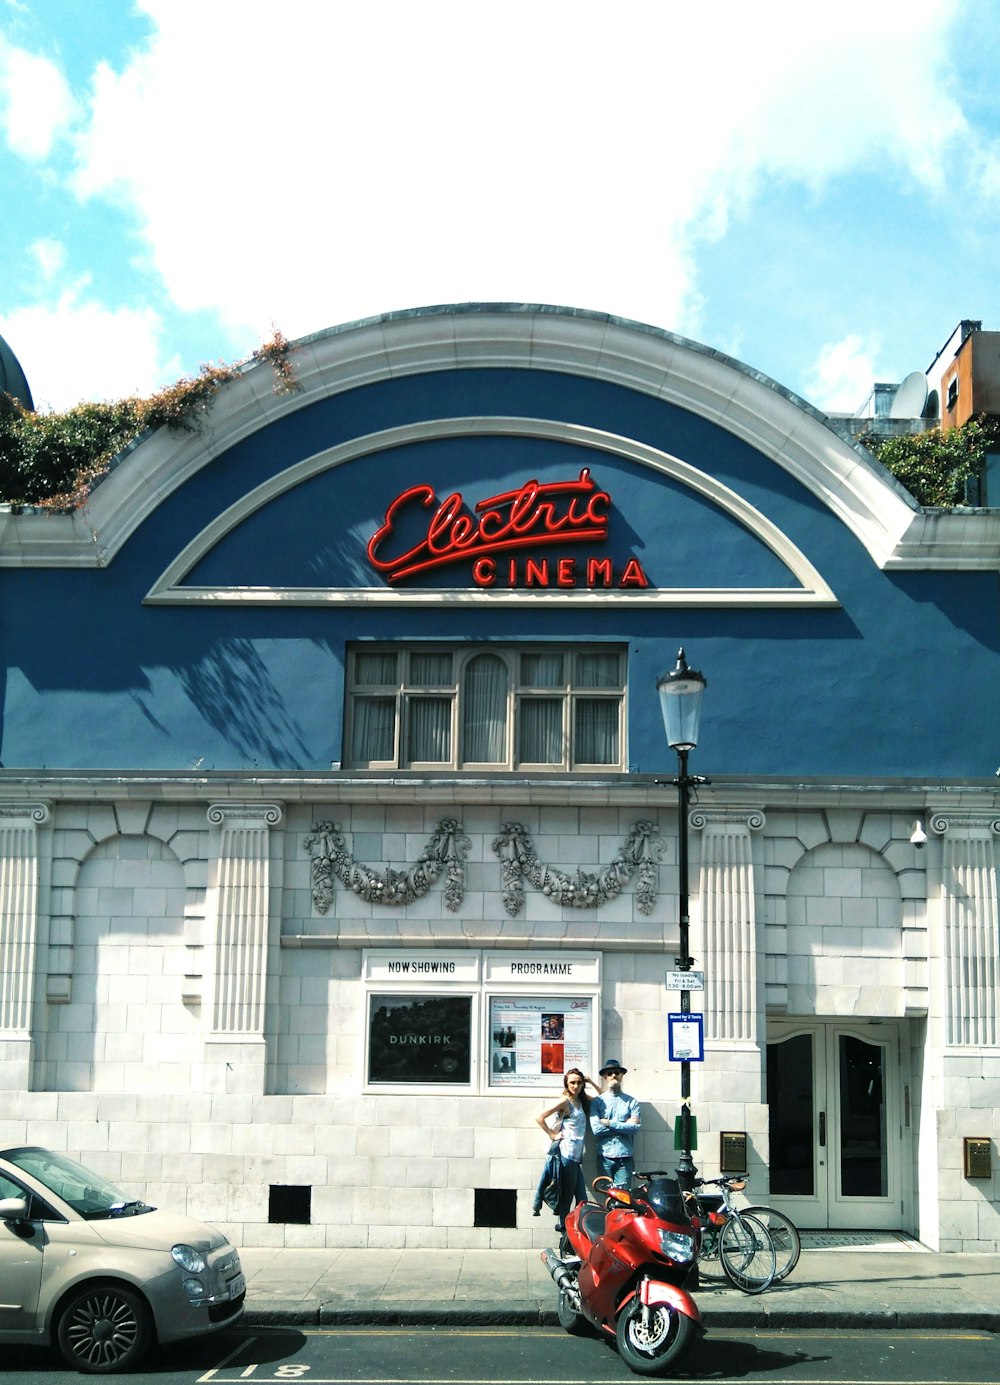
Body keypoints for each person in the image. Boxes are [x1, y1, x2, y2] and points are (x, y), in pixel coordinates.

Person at [533, 1067, 599, 1225]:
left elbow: (602, 1098)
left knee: (582, 1198)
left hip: (576, 1157)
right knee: (567, 1197)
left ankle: (574, 1233)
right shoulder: (565, 1101)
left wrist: (591, 1082)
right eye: (572, 1083)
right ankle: (564, 1232)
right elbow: (539, 1117)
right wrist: (552, 1134)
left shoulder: (580, 1101)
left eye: (579, 1082)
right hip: (566, 1154)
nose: (575, 1086)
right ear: (566, 1084)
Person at [590, 1058, 641, 1188]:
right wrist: (624, 1125)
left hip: (625, 1157)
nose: (613, 1075)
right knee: (606, 1195)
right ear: (604, 1077)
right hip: (604, 1157)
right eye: (609, 1073)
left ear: (621, 1076)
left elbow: (634, 1128)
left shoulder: (632, 1102)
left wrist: (609, 1123)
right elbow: (596, 1130)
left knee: (623, 1197)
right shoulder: (597, 1102)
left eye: (616, 1072)